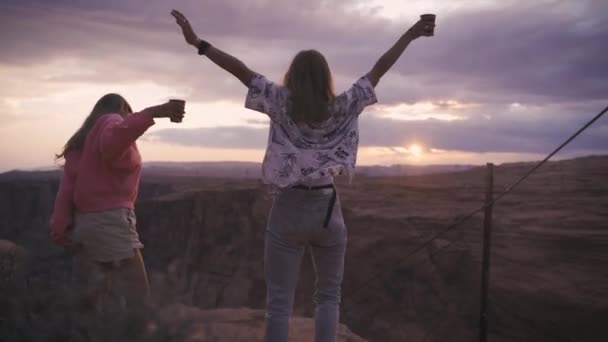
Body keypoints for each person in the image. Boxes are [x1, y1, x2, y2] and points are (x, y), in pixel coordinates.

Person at [171, 9, 434, 342]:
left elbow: (240, 70)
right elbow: (379, 69)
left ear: (292, 75)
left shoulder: (280, 102)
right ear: (325, 77)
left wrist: (198, 43)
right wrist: (411, 34)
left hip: (289, 207)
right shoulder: (342, 106)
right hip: (327, 210)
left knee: (279, 303)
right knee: (328, 296)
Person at [50, 94, 185, 318]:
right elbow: (114, 142)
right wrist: (154, 112)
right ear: (122, 109)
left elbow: (65, 192)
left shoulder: (81, 144)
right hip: (111, 221)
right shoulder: (110, 121)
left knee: (96, 296)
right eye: (128, 114)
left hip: (86, 224)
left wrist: (59, 230)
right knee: (138, 295)